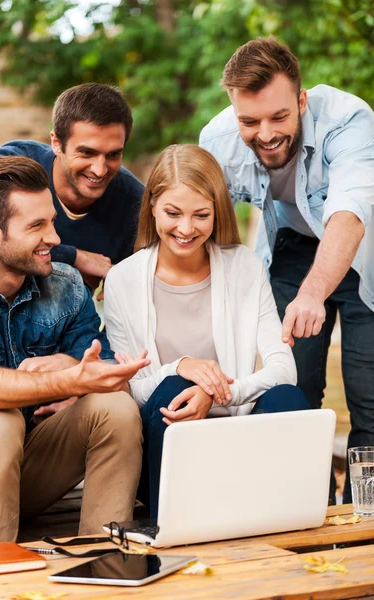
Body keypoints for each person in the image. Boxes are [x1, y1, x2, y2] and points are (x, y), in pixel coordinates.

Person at [199, 36, 374, 502]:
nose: (266, 133)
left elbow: (350, 214)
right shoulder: (217, 142)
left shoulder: (350, 120)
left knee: (369, 399)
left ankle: (365, 521)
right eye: (249, 121)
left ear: (301, 100)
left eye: (279, 117)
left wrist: (314, 291)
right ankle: (306, 506)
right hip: (293, 250)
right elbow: (204, 224)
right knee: (295, 388)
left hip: (365, 251)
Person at [104, 144, 310, 518]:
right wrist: (180, 366)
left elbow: (284, 368)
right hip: (167, 448)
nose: (185, 229)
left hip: (235, 441)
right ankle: (168, 525)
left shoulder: (243, 266)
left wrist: (219, 394)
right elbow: (132, 389)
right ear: (151, 206)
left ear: (217, 213)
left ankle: (295, 529)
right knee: (171, 388)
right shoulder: (123, 279)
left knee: (287, 398)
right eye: (173, 213)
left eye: (201, 215)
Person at [0, 156, 150, 543]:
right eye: (36, 226)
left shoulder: (66, 285)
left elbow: (107, 377)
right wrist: (66, 380)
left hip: (24, 471)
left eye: (51, 221)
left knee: (116, 408)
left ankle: (100, 563)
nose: (55, 239)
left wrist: (74, 367)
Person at [0, 82, 144, 294]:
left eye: (113, 154)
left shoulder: (135, 205)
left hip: (67, 320)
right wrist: (75, 257)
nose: (99, 170)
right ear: (56, 143)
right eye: (87, 153)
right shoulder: (13, 164)